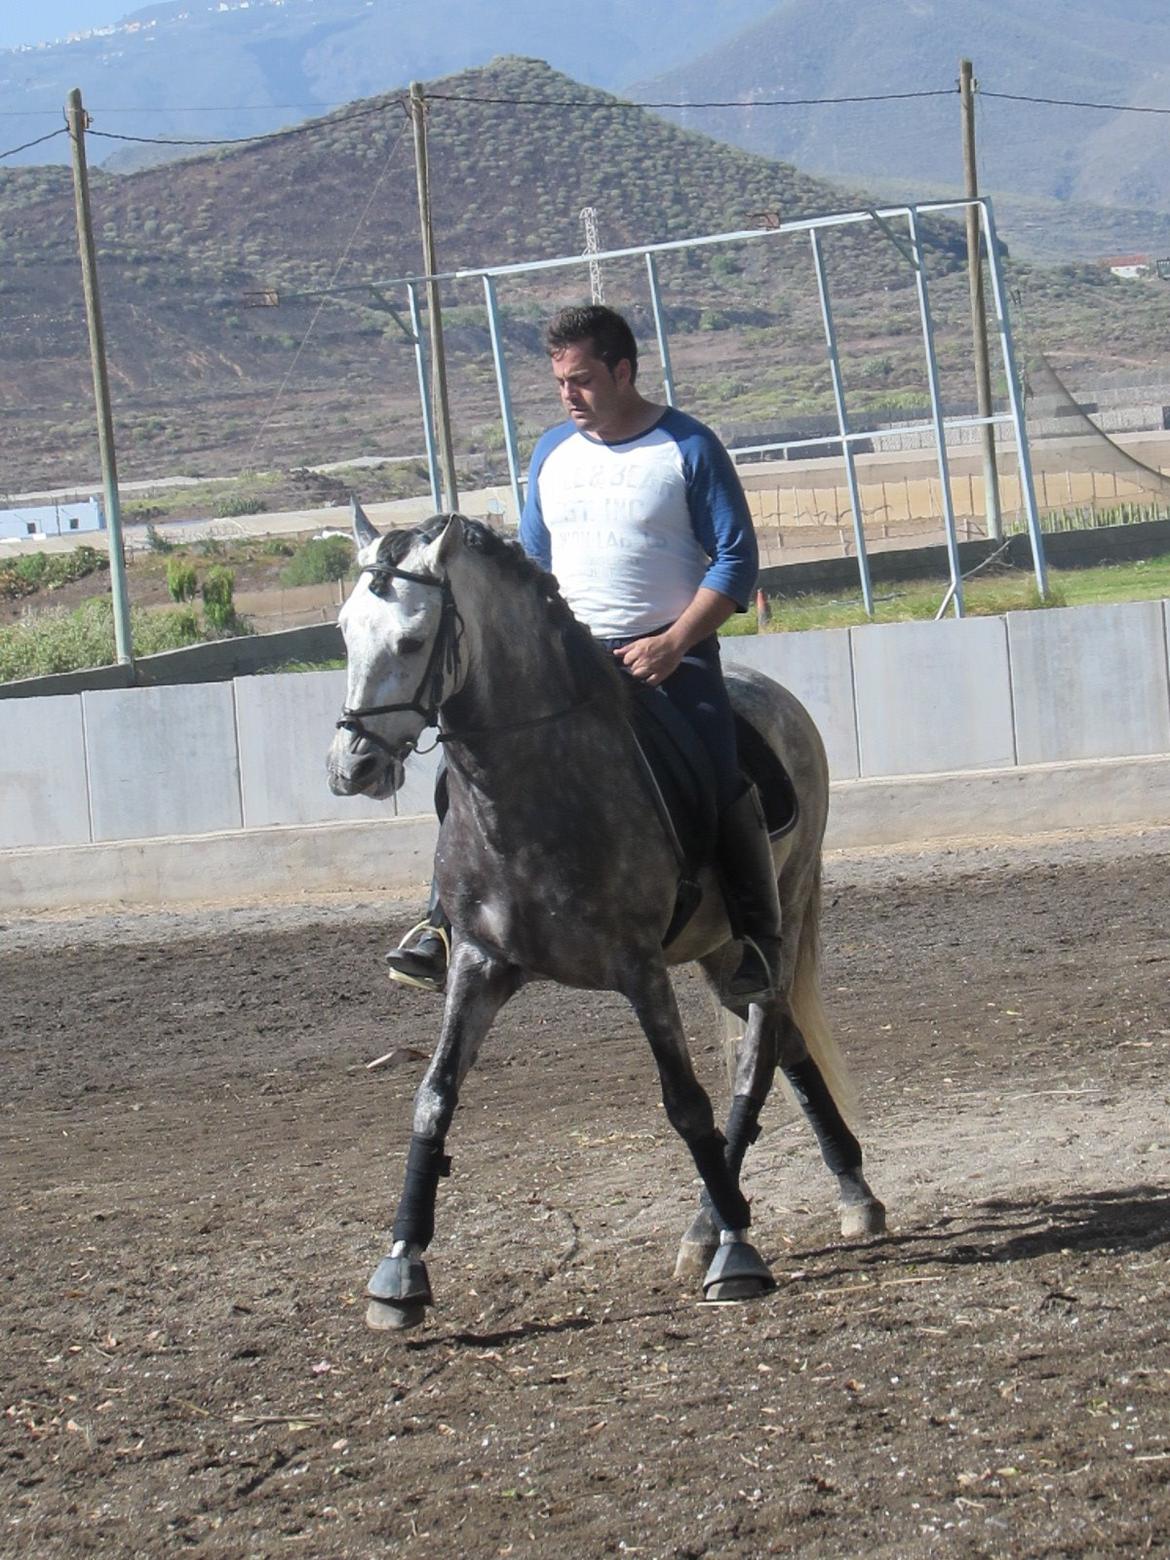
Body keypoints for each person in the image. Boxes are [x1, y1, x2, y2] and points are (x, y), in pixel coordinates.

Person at [386, 303, 781, 1003]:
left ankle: (757, 941)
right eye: (560, 382)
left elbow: (736, 561)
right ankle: (440, 923)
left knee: (720, 778)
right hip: (566, 665)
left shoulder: (687, 447)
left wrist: (673, 641)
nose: (568, 394)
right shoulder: (551, 455)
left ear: (623, 371)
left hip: (666, 658)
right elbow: (534, 564)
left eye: (582, 379)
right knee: (466, 767)